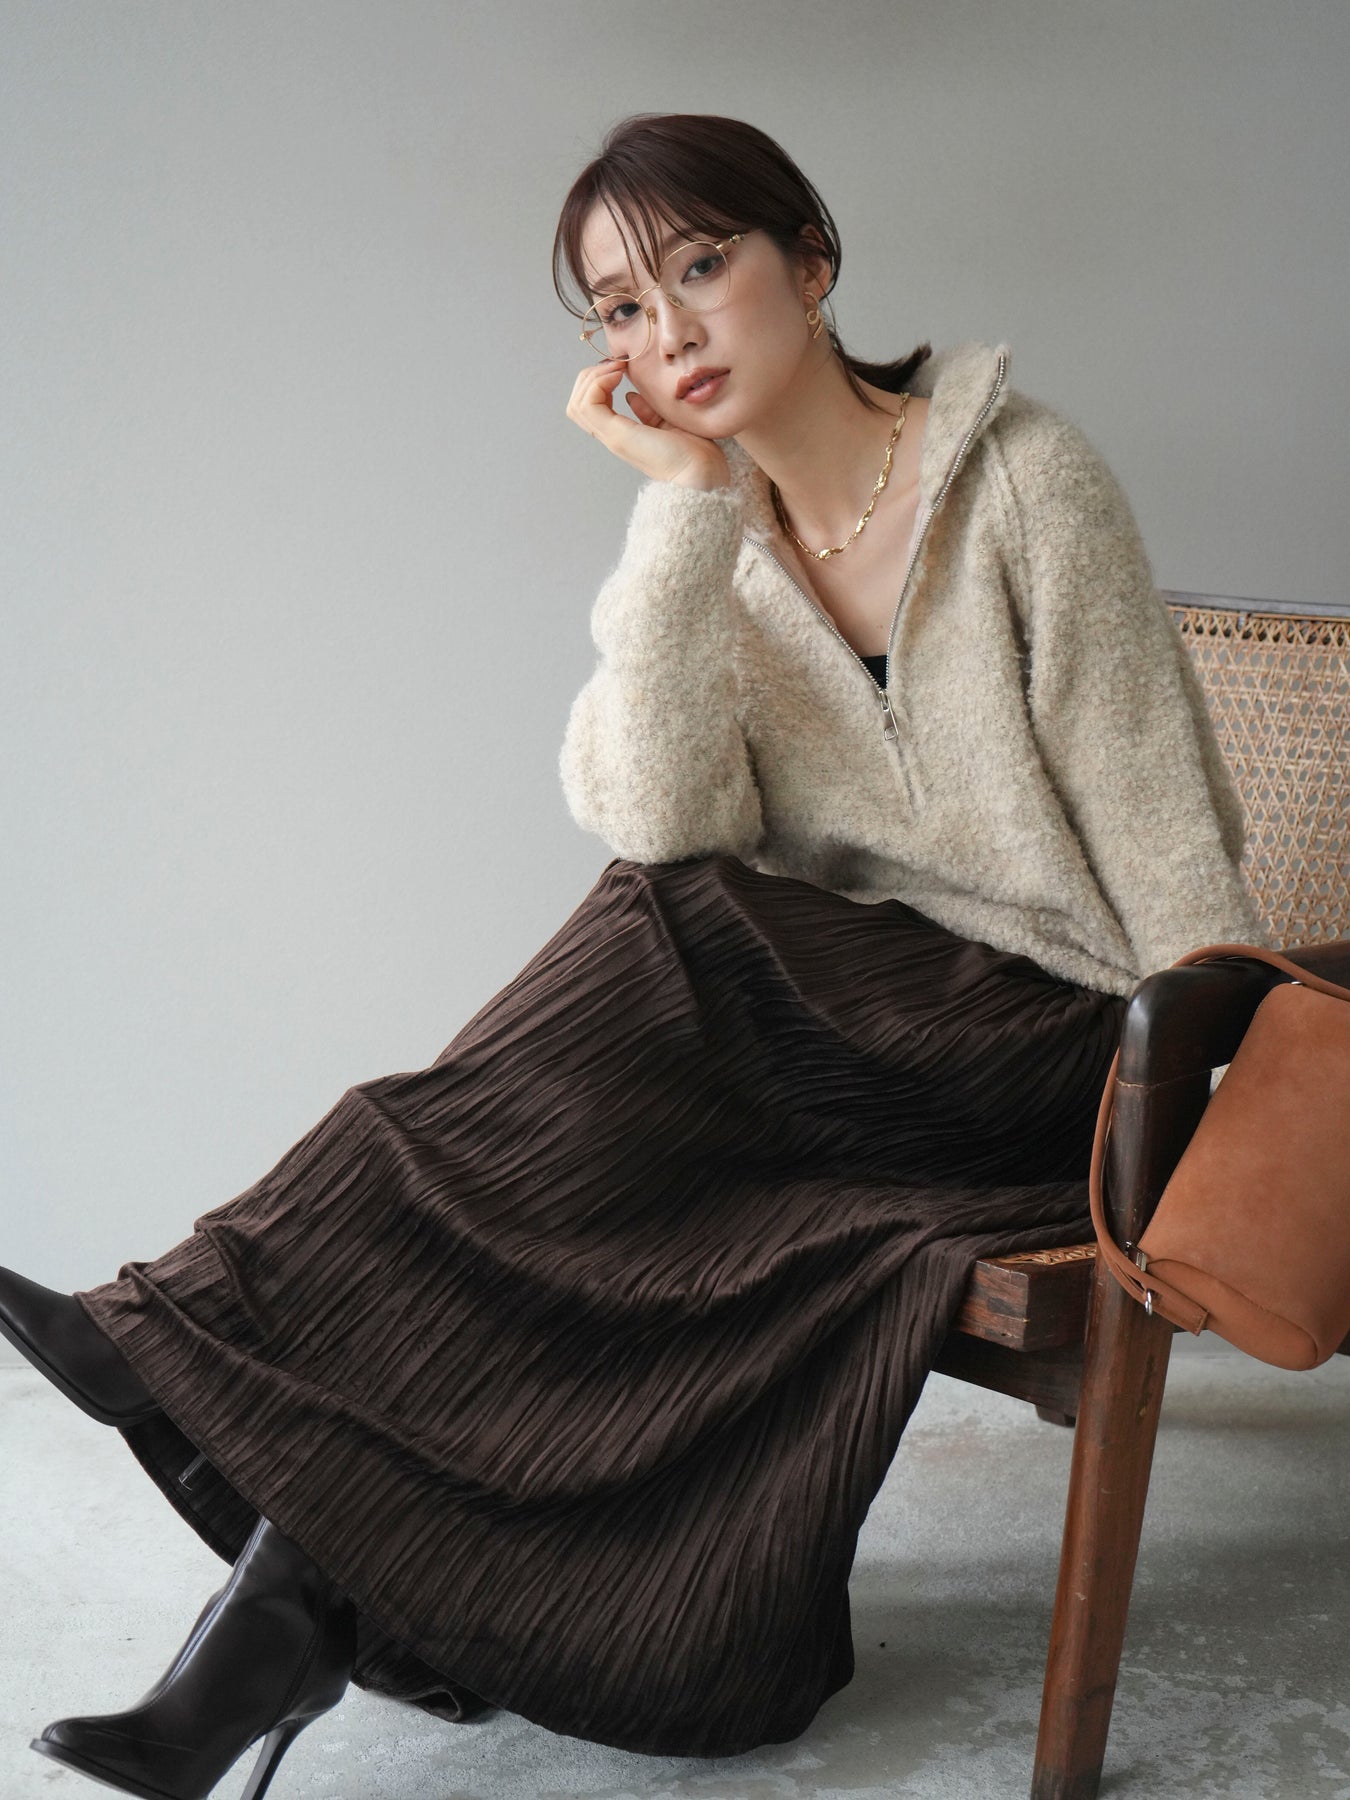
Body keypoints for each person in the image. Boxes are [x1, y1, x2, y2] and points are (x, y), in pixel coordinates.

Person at [3, 111, 1270, 1799]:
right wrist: (683, 513)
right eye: (617, 307)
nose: (665, 330)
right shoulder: (717, 539)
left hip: (1059, 1053)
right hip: (844, 1050)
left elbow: (1168, 846)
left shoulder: (1025, 479)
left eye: (700, 266)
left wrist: (1183, 1136)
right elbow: (663, 811)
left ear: (809, 263)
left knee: (657, 936)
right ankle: (274, 1628)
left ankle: (188, 1325)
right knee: (555, 1146)